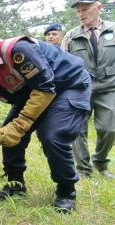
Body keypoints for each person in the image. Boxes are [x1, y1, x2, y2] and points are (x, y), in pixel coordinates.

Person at [0, 34, 92, 212]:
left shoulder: (17, 50)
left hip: (68, 85)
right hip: (36, 93)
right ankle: (16, 185)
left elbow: (45, 87)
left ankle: (66, 191)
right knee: (8, 134)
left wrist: (20, 125)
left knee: (52, 136)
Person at [61, 0, 115, 179]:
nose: (81, 14)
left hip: (109, 87)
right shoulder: (70, 36)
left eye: (84, 9)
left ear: (99, 7)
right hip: (80, 89)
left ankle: (100, 162)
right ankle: (83, 169)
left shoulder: (113, 30)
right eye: (78, 11)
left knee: (109, 128)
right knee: (78, 130)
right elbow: (63, 64)